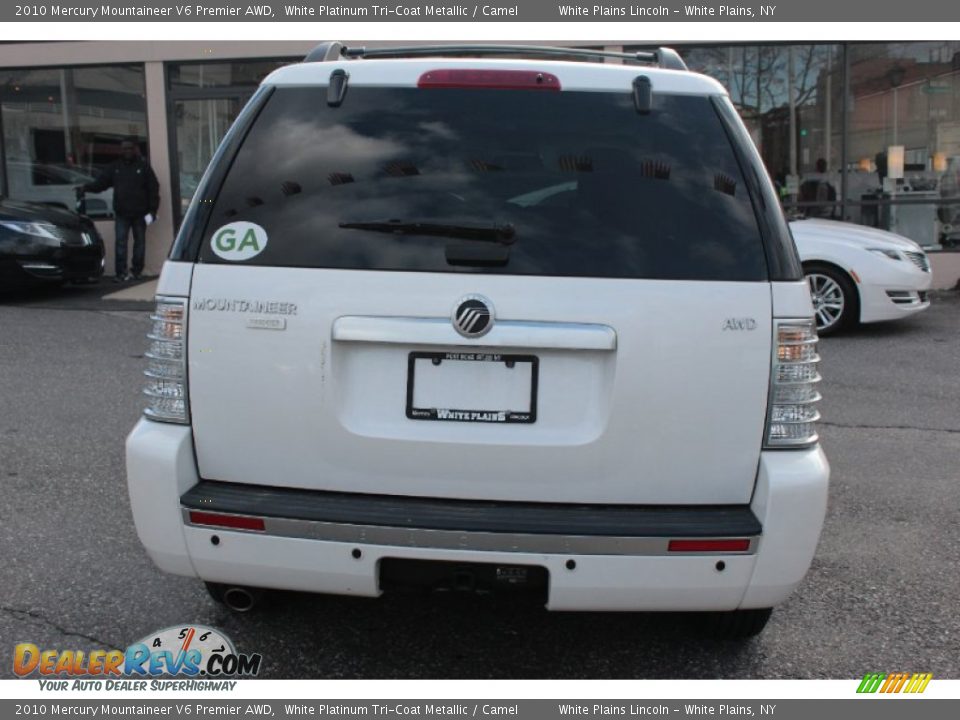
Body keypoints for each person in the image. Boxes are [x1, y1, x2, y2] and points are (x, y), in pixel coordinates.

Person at [80, 138, 160, 282]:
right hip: (122, 213)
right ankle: (120, 273)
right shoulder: (115, 167)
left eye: (130, 148)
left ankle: (137, 271)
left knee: (139, 243)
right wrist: (86, 188)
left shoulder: (144, 167)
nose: (127, 151)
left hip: (140, 213)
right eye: (124, 148)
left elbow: (153, 189)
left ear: (135, 149)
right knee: (120, 243)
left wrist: (152, 210)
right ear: (121, 150)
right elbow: (101, 183)